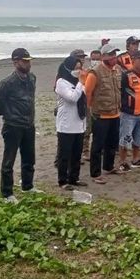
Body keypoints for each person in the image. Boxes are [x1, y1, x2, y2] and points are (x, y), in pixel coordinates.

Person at [0, 48, 43, 204]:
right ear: (15, 62)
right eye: (24, 61)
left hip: (29, 124)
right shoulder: (8, 82)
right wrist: (9, 115)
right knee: (9, 160)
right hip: (13, 125)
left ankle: (27, 186)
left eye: (29, 61)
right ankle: (6, 193)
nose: (28, 64)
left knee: (29, 157)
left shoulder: (32, 78)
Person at [85, 44, 123, 184]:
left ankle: (109, 166)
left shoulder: (117, 70)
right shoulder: (95, 72)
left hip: (115, 113)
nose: (114, 57)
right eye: (110, 54)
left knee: (112, 144)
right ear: (103, 57)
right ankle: (95, 173)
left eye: (115, 54)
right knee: (97, 146)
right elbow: (88, 93)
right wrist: (91, 110)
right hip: (100, 114)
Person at [55, 56, 88, 190]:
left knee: (76, 154)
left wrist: (81, 83)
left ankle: (74, 178)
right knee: (64, 155)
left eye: (80, 68)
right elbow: (72, 97)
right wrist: (81, 82)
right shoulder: (61, 82)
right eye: (75, 68)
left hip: (79, 122)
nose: (78, 71)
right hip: (66, 124)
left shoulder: (80, 82)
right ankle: (63, 180)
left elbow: (84, 97)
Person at [118, 50, 140, 171]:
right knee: (125, 138)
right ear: (133, 61)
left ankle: (136, 159)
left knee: (138, 138)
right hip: (128, 113)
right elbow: (119, 92)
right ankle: (122, 161)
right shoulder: (126, 76)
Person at [82, 50, 102, 161]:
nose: (95, 61)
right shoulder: (87, 72)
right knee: (87, 129)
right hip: (89, 104)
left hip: (99, 104)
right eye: (93, 59)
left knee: (99, 129)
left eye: (98, 59)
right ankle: (85, 151)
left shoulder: (103, 72)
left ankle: (99, 149)